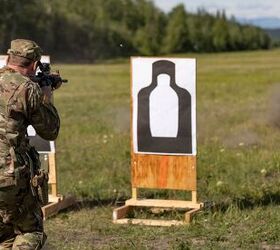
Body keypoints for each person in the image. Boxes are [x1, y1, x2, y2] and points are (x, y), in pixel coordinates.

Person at [0, 39, 60, 249]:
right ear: (34, 65)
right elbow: (50, 130)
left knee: (5, 235)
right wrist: (46, 95)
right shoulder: (27, 88)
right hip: (10, 174)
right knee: (30, 231)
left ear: (8, 58)